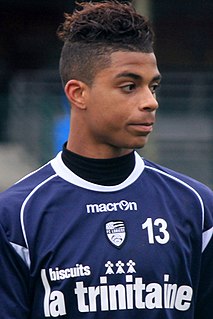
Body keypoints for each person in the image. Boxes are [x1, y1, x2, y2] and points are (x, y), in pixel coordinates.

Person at [0, 1, 212, 318]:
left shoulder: (198, 206)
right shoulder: (16, 217)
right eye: (129, 86)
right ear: (77, 93)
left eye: (153, 86)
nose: (150, 102)